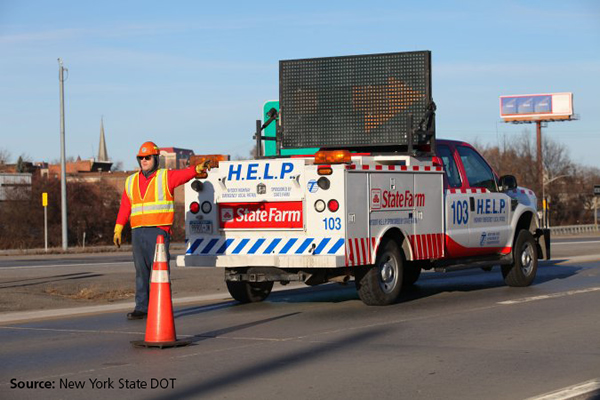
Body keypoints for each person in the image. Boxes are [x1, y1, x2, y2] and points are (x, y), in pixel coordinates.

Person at [113, 141, 210, 320]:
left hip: (158, 232)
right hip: (137, 232)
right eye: (141, 158)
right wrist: (118, 227)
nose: (144, 160)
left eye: (147, 157)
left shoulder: (165, 177)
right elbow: (125, 206)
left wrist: (196, 169)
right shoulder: (131, 181)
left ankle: (162, 308)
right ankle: (142, 307)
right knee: (141, 272)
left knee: (160, 272)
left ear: (155, 158)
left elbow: (183, 175)